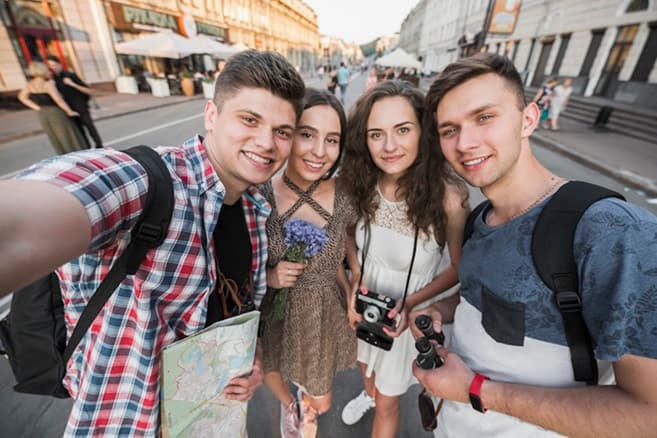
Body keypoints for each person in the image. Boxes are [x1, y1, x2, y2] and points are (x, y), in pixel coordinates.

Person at [0, 50, 305, 436]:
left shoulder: (254, 209)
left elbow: (235, 306)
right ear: (212, 115)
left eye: (283, 131)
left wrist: (251, 360)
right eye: (250, 120)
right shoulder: (148, 181)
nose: (266, 142)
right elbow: (31, 216)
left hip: (212, 421)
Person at [410, 52, 657, 437]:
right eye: (449, 130)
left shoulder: (613, 232)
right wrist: (438, 309)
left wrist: (476, 390)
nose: (466, 142)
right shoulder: (480, 218)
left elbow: (646, 415)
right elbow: (483, 298)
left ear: (528, 119)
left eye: (484, 117)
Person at [337, 80, 469, 437]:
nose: (389, 146)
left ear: (423, 132)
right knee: (366, 370)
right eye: (376, 134)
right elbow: (348, 234)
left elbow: (458, 268)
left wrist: (412, 303)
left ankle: (378, 400)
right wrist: (354, 279)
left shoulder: (449, 196)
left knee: (388, 403)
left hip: (407, 312)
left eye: (403, 130)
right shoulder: (360, 182)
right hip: (366, 305)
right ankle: (368, 395)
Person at [259, 88, 356, 438]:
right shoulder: (259, 193)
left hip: (319, 314)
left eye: (332, 140)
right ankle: (290, 404)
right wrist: (269, 278)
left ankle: (306, 401)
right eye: (307, 135)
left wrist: (351, 287)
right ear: (287, 134)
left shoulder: (343, 195)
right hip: (273, 312)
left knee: (323, 402)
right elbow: (235, 263)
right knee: (272, 365)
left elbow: (344, 248)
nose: (319, 151)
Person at [17, 61, 86, 155]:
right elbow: (58, 100)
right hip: (55, 112)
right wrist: (69, 111)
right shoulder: (48, 84)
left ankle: (64, 157)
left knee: (56, 137)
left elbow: (22, 97)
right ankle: (77, 156)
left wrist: (37, 107)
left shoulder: (30, 85)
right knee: (67, 136)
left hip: (43, 114)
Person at [46, 56, 102, 149]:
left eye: (55, 65)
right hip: (68, 111)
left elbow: (88, 90)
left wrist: (73, 84)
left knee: (90, 128)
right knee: (79, 133)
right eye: (51, 66)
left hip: (81, 107)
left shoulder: (70, 75)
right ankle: (86, 149)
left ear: (60, 64)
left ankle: (99, 146)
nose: (53, 67)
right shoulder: (52, 81)